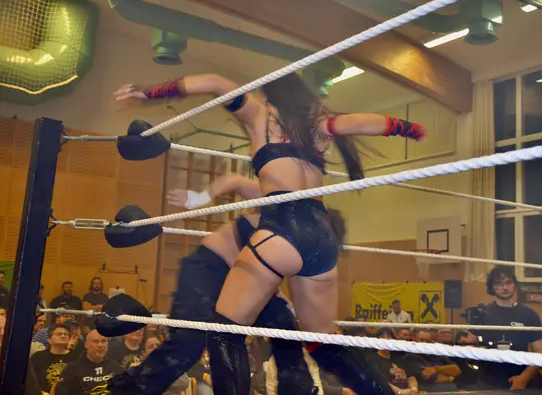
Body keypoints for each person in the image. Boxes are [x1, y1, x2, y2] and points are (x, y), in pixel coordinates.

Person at [114, 72, 424, 394]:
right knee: (322, 345)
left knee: (225, 332)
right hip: (322, 235)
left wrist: (150, 91)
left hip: (282, 228)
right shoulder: (317, 126)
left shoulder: (260, 115)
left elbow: (216, 83)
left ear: (270, 94)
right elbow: (358, 122)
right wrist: (407, 128)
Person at [109, 172, 345, 395]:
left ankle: (297, 389)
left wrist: (289, 306)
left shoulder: (302, 249)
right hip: (207, 270)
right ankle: (130, 389)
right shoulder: (286, 204)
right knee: (189, 343)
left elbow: (270, 277)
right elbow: (235, 180)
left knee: (282, 325)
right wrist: (199, 197)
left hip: (245, 282)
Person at [466, 266, 542, 390]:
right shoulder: (482, 313)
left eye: (509, 282)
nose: (505, 287)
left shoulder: (529, 314)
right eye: (499, 283)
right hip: (487, 381)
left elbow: (541, 351)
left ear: (515, 285)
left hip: (518, 379)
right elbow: (469, 345)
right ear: (492, 287)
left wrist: (524, 378)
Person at [55, 329, 123, 394]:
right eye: (95, 341)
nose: (100, 345)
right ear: (86, 344)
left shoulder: (116, 367)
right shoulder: (72, 369)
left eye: (103, 341)